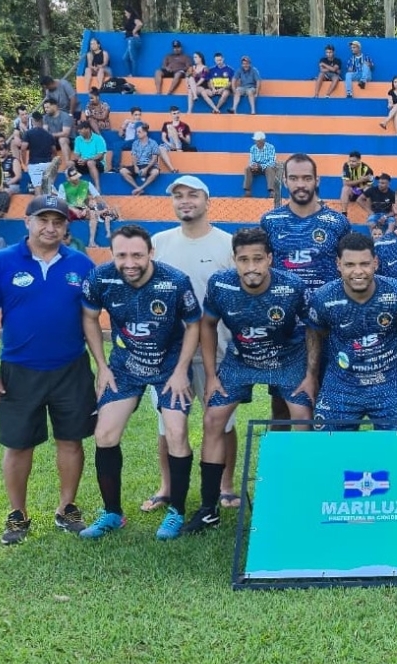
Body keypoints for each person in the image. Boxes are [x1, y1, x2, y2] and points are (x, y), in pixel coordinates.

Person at [0, 195, 96, 544]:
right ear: (27, 222)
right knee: (18, 444)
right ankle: (17, 513)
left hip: (71, 368)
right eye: (43, 220)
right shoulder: (1, 262)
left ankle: (67, 506)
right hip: (19, 370)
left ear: (66, 227)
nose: (50, 227)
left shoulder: (82, 265)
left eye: (57, 222)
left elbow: (91, 319)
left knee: (70, 441)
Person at [80, 224, 201, 541]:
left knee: (176, 432)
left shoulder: (175, 282)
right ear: (112, 255)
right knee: (104, 434)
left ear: (151, 253)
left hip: (169, 366)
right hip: (124, 366)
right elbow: (89, 318)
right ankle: (112, 513)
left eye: (137, 255)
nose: (129, 262)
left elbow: (193, 325)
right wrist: (102, 367)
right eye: (122, 255)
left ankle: (176, 511)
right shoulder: (101, 278)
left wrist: (180, 370)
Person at [189, 227, 312, 533]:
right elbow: (208, 325)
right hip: (241, 359)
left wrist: (310, 375)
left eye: (258, 259)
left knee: (302, 416)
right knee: (213, 419)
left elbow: (313, 329)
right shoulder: (220, 284)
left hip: (287, 359)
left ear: (270, 259)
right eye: (244, 260)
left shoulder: (292, 286)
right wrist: (213, 375)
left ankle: (298, 499)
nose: (251, 266)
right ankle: (209, 508)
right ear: (235, 261)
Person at [147, 177, 237, 517]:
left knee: (222, 424)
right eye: (179, 196)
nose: (186, 201)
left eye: (193, 195)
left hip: (219, 353)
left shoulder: (227, 244)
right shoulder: (160, 243)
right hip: (170, 358)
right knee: (167, 426)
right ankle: (167, 487)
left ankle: (225, 486)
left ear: (207, 201)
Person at [259, 153, 352, 428]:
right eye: (295, 178)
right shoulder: (270, 221)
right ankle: (282, 468)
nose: (301, 184)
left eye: (307, 178)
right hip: (286, 329)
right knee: (281, 406)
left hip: (329, 328)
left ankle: (321, 464)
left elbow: (348, 271)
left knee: (327, 401)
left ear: (317, 181)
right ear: (285, 181)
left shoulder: (337, 223)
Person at [306, 233, 397, 430]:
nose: (358, 271)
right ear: (338, 264)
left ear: (375, 263)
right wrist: (311, 376)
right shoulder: (323, 298)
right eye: (349, 265)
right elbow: (314, 334)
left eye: (364, 263)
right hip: (341, 383)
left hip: (388, 382)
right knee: (326, 448)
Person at [55, 165, 108, 245]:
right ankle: (62, 240)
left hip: (83, 209)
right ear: (68, 179)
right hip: (69, 209)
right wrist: (73, 209)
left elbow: (97, 196)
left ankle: (91, 241)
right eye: (74, 178)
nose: (76, 179)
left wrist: (104, 205)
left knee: (93, 214)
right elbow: (61, 202)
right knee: (62, 218)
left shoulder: (87, 184)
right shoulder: (63, 186)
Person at [120, 123, 163, 195]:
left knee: (155, 172)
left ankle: (141, 188)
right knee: (122, 171)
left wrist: (146, 168)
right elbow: (134, 157)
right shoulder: (135, 143)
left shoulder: (153, 143)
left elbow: (154, 159)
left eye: (139, 132)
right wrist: (135, 166)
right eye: (137, 132)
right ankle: (138, 188)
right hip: (138, 164)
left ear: (145, 133)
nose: (137, 134)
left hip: (149, 165)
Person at [21, 111, 56, 196]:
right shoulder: (49, 135)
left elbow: (23, 148)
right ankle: (50, 208)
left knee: (38, 189)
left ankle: (40, 207)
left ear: (32, 120)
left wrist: (24, 162)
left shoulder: (28, 133)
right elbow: (54, 151)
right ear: (42, 120)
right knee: (48, 189)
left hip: (34, 164)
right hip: (48, 164)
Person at [244, 131, 280, 203]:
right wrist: (253, 165)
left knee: (270, 168)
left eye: (258, 141)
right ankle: (247, 191)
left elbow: (272, 161)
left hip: (267, 167)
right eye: (256, 141)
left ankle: (272, 191)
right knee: (248, 169)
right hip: (257, 167)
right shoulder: (253, 148)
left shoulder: (271, 147)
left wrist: (261, 166)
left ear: (263, 140)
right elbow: (251, 160)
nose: (256, 142)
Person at [72, 121, 107, 193]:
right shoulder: (78, 139)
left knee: (90, 163)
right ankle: (76, 186)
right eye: (78, 129)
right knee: (70, 163)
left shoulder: (98, 139)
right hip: (83, 162)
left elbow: (100, 156)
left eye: (81, 129)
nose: (79, 131)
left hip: (97, 163)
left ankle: (97, 187)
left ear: (88, 129)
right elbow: (76, 154)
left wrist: (87, 160)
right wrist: (80, 160)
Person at [41, 99, 74, 168]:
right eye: (45, 108)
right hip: (53, 140)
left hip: (68, 139)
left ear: (54, 106)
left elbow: (66, 133)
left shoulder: (65, 116)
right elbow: (45, 131)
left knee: (62, 139)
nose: (46, 110)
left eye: (47, 107)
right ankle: (49, 166)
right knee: (45, 140)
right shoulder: (45, 117)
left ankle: (68, 164)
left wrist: (51, 135)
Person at [340, 150, 374, 216]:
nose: (351, 163)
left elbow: (370, 185)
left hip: (362, 192)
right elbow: (345, 183)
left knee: (368, 189)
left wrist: (360, 188)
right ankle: (344, 213)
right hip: (352, 192)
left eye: (354, 161)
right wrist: (361, 180)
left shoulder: (367, 170)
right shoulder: (346, 166)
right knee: (345, 189)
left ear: (359, 161)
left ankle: (370, 215)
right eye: (350, 161)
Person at [122, 6, 143, 77]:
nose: (125, 14)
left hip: (133, 40)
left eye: (126, 13)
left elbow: (140, 24)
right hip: (129, 40)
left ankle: (134, 75)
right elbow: (129, 28)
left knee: (133, 58)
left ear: (129, 12)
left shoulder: (134, 18)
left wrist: (134, 31)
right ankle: (130, 74)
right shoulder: (130, 20)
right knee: (125, 58)